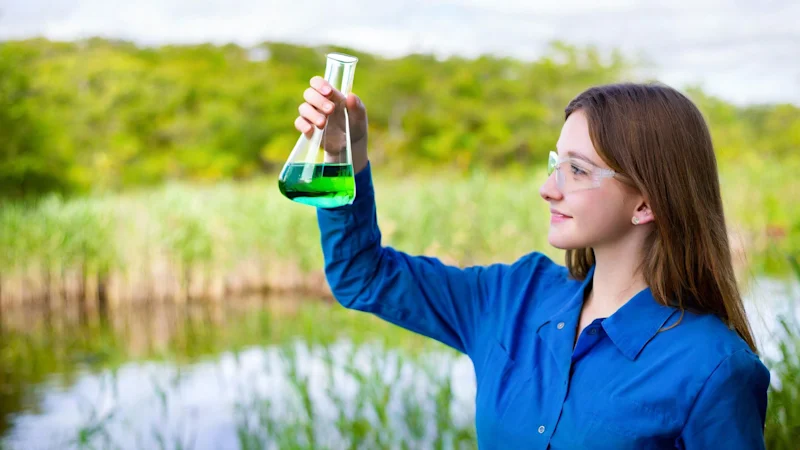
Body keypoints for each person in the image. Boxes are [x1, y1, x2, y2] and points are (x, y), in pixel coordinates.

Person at [293, 77, 770, 449]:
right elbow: (363, 276)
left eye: (577, 170)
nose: (549, 188)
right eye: (555, 163)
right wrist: (344, 154)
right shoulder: (513, 297)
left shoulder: (715, 368)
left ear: (645, 204)